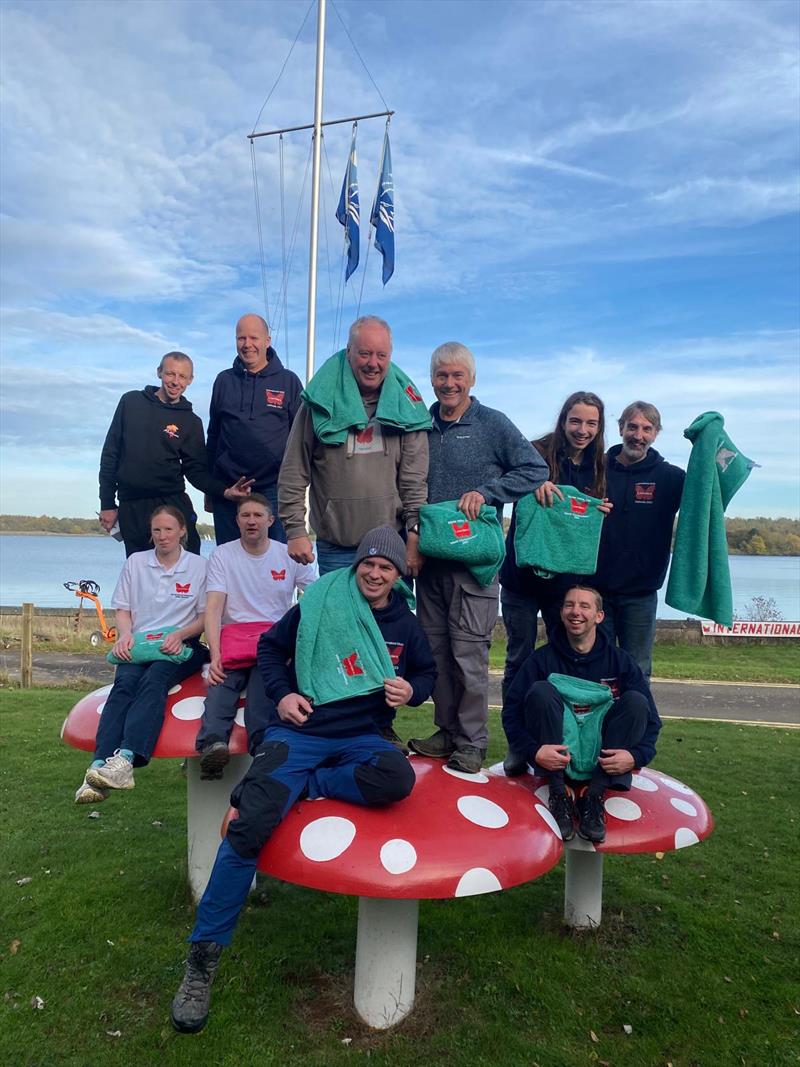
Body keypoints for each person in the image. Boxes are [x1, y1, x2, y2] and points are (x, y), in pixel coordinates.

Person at [170, 526, 436, 1034]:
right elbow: (270, 650)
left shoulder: (407, 621)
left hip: (365, 734)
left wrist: (412, 690)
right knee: (249, 824)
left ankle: (309, 785)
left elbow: (427, 674)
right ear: (356, 566)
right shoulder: (319, 602)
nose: (376, 574)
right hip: (304, 730)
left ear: (398, 574)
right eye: (368, 565)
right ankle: (201, 961)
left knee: (396, 777)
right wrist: (285, 693)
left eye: (386, 567)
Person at [408, 342, 548, 774]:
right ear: (432, 379)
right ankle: (446, 731)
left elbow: (534, 469)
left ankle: (472, 741)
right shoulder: (420, 424)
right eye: (441, 376)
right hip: (430, 562)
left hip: (476, 565)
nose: (449, 384)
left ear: (471, 379)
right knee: (436, 655)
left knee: (469, 655)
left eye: (457, 376)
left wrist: (487, 493)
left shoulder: (492, 424)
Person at [501, 584, 661, 843]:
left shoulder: (620, 661)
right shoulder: (541, 660)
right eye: (569, 605)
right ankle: (558, 794)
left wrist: (635, 756)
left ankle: (593, 797)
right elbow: (511, 713)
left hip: (603, 760)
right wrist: (533, 751)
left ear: (599, 616)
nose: (576, 612)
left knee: (636, 701)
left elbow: (651, 719)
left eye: (584, 606)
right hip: (555, 761)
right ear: (561, 613)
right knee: (541, 692)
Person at [74, 506, 208, 803]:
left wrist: (179, 635)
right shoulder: (136, 562)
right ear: (151, 533)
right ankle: (98, 767)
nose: (163, 536)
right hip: (140, 643)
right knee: (123, 686)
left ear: (182, 531)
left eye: (169, 529)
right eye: (157, 530)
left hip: (181, 645)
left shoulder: (199, 566)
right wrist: (125, 637)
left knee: (154, 681)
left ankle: (126, 758)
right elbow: (124, 609)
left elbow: (204, 617)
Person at [278, 316, 430, 576]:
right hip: (336, 547)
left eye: (381, 355)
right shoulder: (318, 405)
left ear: (390, 356)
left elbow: (414, 482)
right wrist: (295, 530)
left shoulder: (409, 411)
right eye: (365, 354)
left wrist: (414, 533)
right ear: (349, 352)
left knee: (388, 619)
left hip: (391, 546)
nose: (373, 363)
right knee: (337, 618)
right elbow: (294, 470)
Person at [194, 494, 318, 778]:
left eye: (258, 515)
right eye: (245, 515)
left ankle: (262, 753)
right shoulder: (223, 555)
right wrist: (214, 655)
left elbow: (313, 597)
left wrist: (298, 643)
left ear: (270, 520)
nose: (251, 521)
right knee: (220, 688)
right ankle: (213, 746)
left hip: (272, 643)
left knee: (263, 697)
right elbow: (213, 608)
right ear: (236, 520)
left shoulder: (287, 553)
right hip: (233, 640)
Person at [500, 391, 610, 705]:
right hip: (520, 580)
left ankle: (561, 730)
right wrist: (531, 482)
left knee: (564, 657)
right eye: (575, 420)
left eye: (591, 423)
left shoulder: (598, 467)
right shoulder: (533, 454)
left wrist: (600, 510)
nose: (582, 430)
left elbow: (592, 517)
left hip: (564, 585)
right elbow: (504, 482)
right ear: (563, 421)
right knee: (519, 658)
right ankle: (517, 736)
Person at [99, 351, 253, 556]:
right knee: (141, 573)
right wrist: (107, 504)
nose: (175, 381)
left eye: (182, 376)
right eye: (170, 374)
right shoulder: (130, 402)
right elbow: (110, 454)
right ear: (159, 372)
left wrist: (224, 491)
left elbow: (196, 471)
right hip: (132, 506)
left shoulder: (191, 421)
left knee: (189, 566)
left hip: (172, 502)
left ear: (190, 380)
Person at [591, 401, 685, 679]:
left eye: (647, 428)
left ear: (656, 433)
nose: (638, 435)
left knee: (637, 670)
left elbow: (708, 498)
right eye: (632, 426)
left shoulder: (671, 478)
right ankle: (601, 723)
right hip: (595, 591)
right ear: (620, 428)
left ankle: (637, 723)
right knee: (599, 669)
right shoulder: (595, 469)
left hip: (641, 594)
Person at [206, 314, 303, 546]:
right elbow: (214, 436)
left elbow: (300, 441)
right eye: (241, 338)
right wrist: (211, 490)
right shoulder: (223, 380)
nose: (247, 344)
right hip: (228, 489)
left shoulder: (288, 381)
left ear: (267, 341)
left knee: (275, 565)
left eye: (253, 338)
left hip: (273, 490)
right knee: (228, 565)